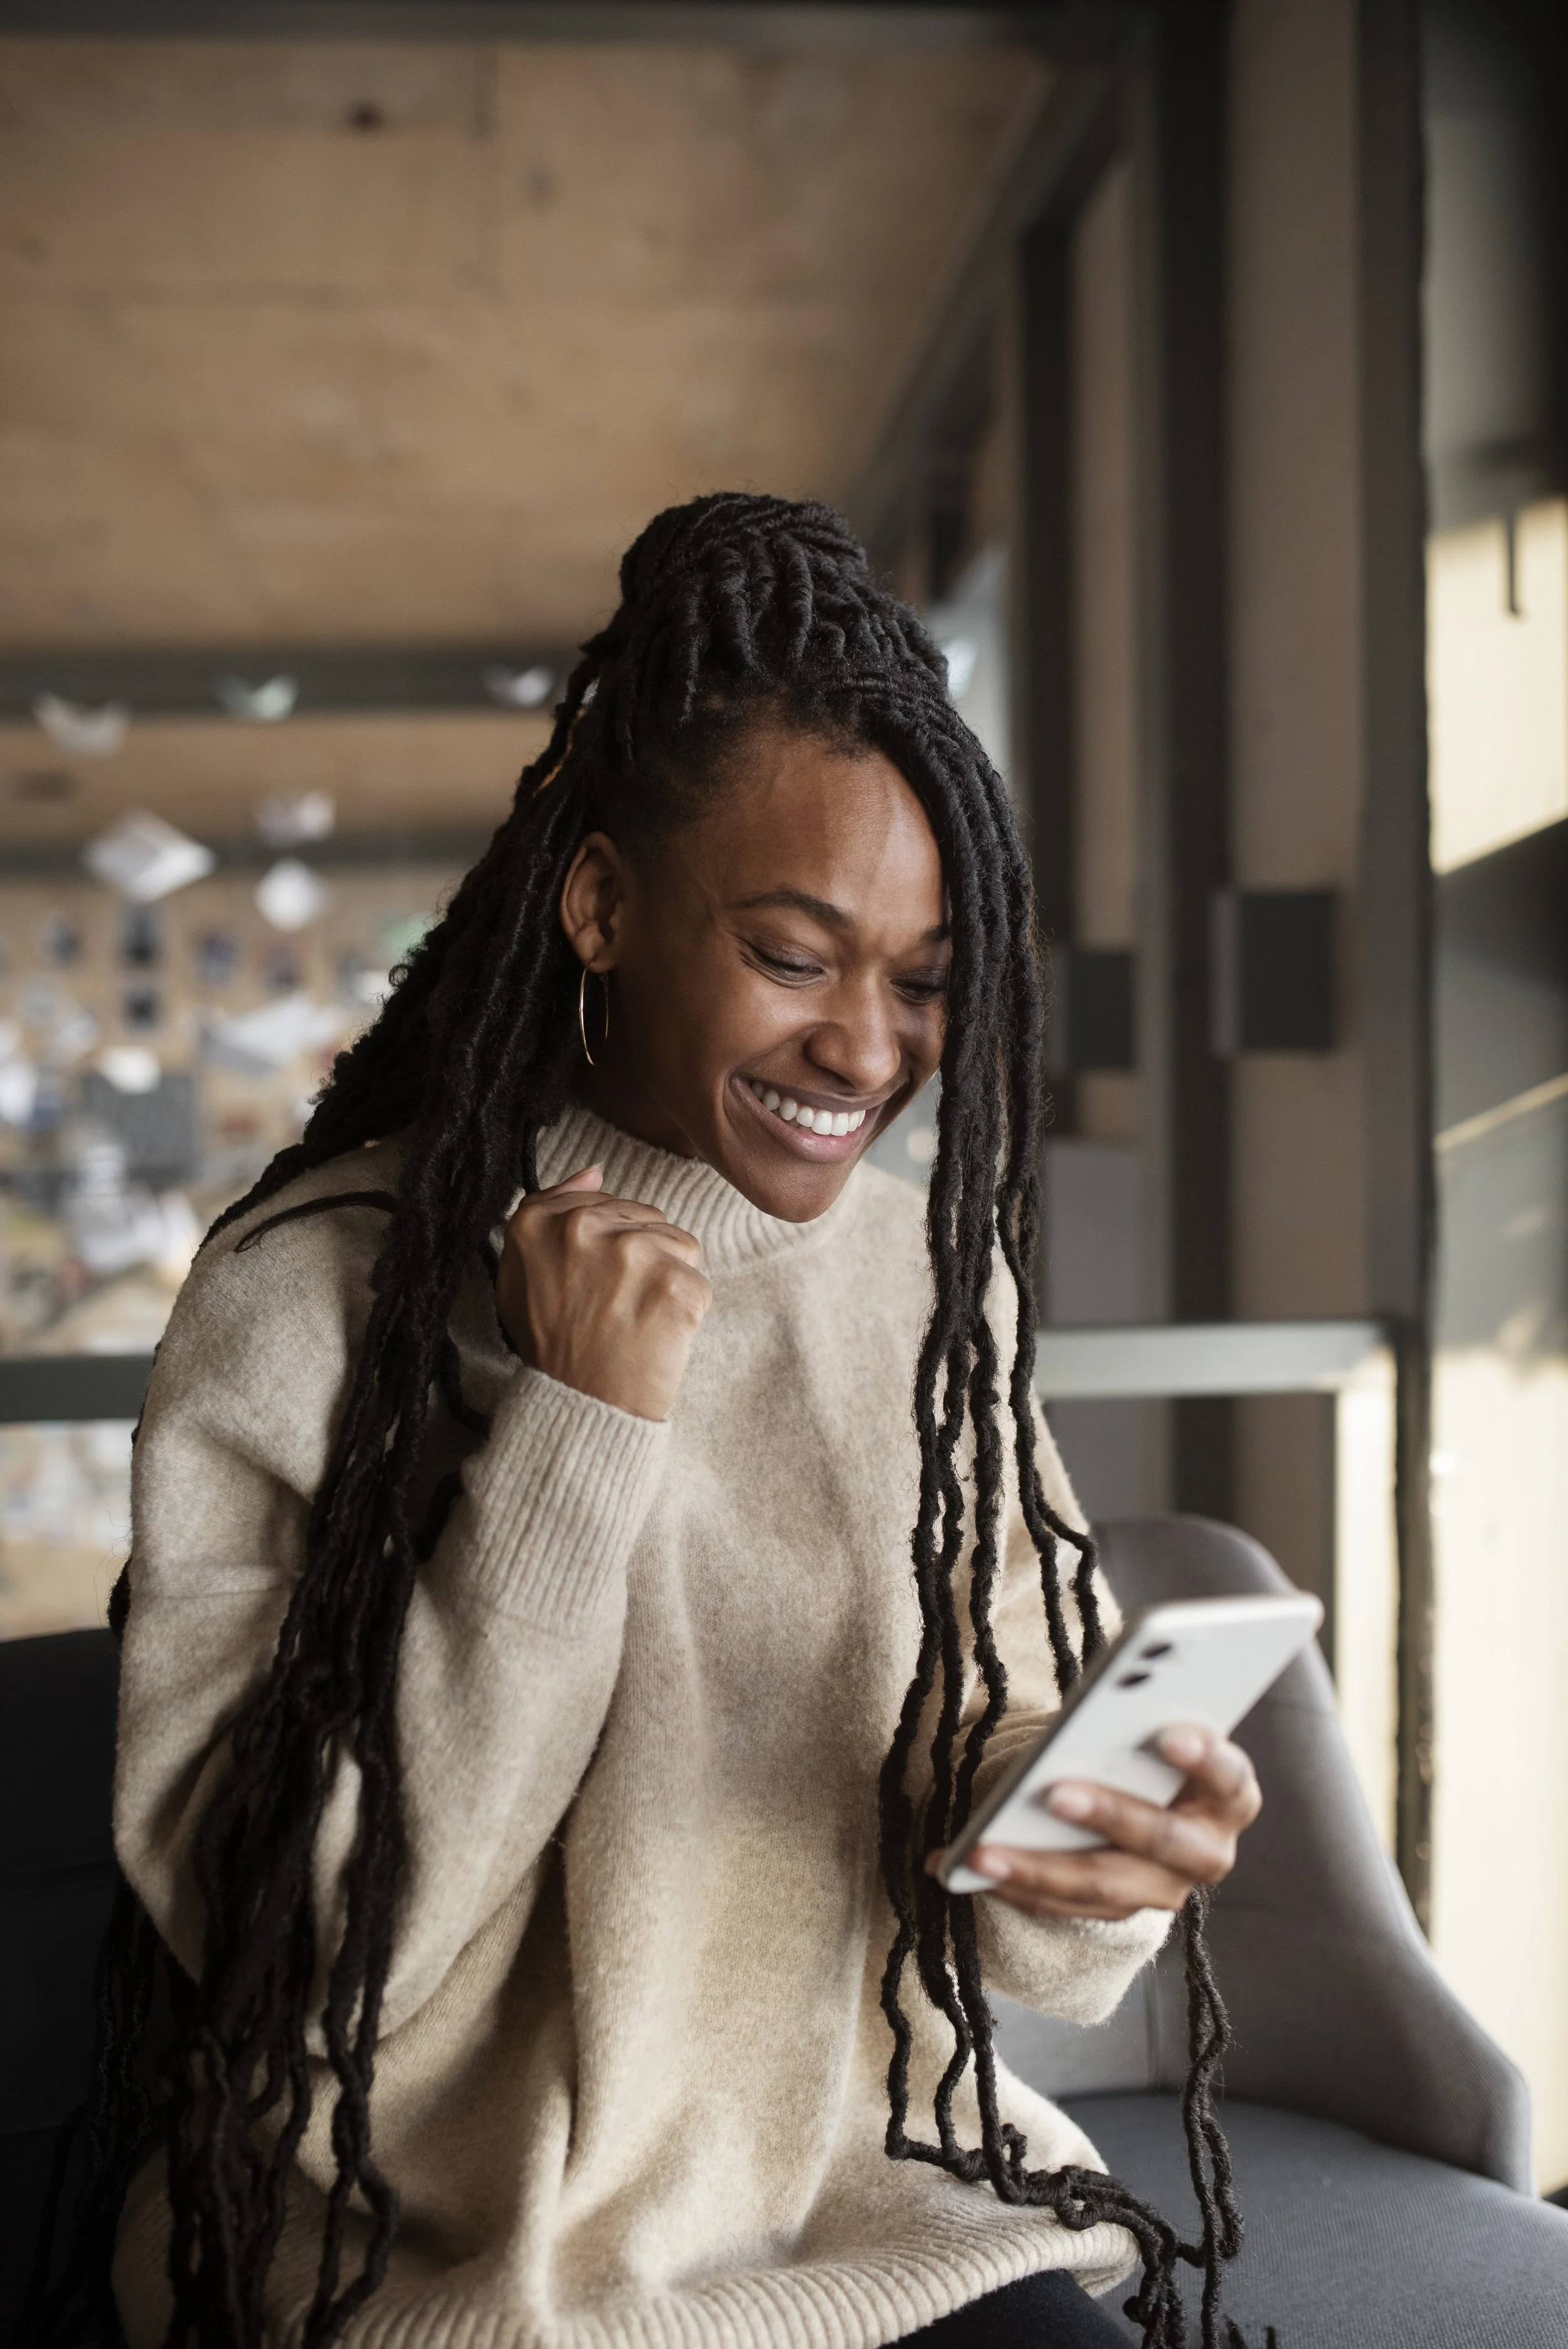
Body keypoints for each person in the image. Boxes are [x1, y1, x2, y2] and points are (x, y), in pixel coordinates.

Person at [42, 496, 1263, 2349]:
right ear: (601, 904)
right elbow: (305, 1970)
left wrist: (1071, 1840)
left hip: (866, 2209)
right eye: (795, 956)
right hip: (449, 2268)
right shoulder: (311, 1291)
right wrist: (574, 1430)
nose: (868, 1048)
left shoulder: (925, 1288)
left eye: (923, 981)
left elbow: (1018, 1899)